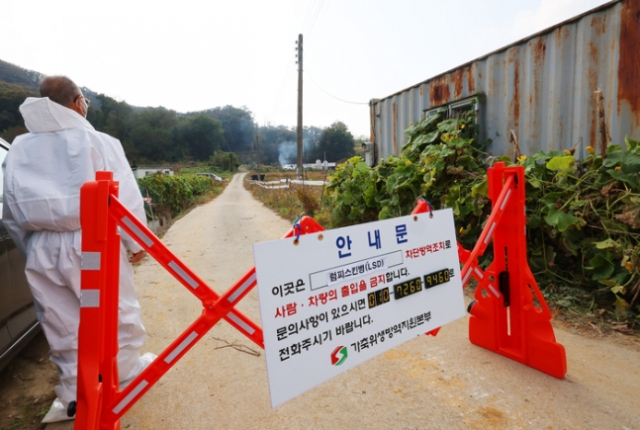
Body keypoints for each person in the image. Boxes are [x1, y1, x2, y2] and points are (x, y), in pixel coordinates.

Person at [2, 76, 155, 423]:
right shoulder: (96, 139)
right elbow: (124, 197)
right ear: (77, 101)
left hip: (41, 243)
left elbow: (10, 210)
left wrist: (33, 251)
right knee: (117, 310)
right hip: (94, 240)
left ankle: (74, 392)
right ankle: (125, 373)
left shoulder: (20, 148)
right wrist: (137, 242)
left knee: (61, 320)